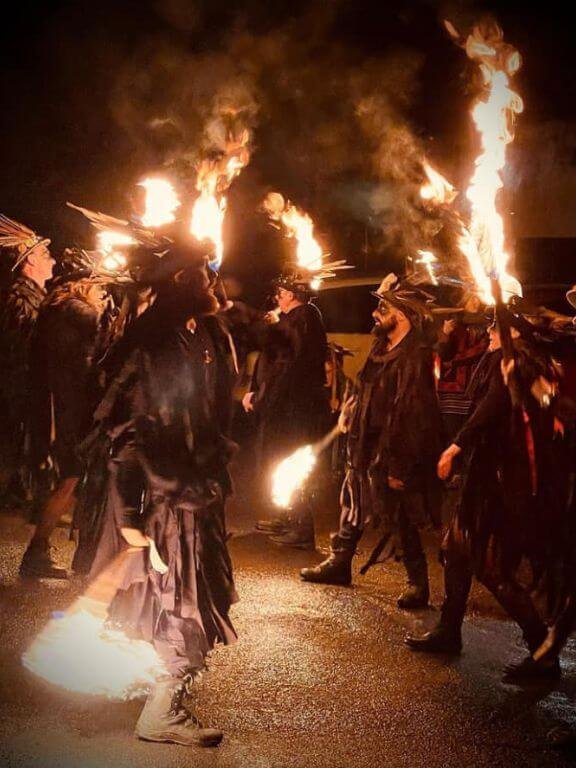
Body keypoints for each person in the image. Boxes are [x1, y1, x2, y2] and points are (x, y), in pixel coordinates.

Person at [87, 246, 237, 746]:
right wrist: (130, 516)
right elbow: (129, 434)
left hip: (195, 495)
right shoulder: (154, 345)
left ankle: (153, 688)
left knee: (181, 598)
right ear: (182, 281)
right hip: (168, 505)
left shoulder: (200, 334)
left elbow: (210, 414)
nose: (216, 284)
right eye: (205, 275)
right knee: (182, 603)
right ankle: (161, 712)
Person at [406, 311, 560, 672]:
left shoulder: (516, 361)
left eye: (495, 326)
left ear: (514, 333)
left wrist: (457, 446)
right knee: (456, 551)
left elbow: (493, 405)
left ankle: (543, 650)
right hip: (486, 476)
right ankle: (449, 630)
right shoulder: (499, 358)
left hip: (501, 482)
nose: (488, 330)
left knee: (493, 567)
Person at [301, 274, 443, 609]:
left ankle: (417, 583)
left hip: (393, 448)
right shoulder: (381, 345)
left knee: (400, 514)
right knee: (352, 500)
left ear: (403, 315)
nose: (375, 314)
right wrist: (350, 409)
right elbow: (364, 383)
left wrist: (399, 464)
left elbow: (414, 415)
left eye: (384, 308)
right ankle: (340, 562)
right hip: (364, 441)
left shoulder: (415, 356)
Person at [19, 253, 116, 578]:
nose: (103, 294)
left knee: (65, 477)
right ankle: (37, 550)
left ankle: (41, 549)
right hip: (66, 409)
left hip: (53, 405)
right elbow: (83, 366)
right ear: (84, 285)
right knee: (70, 477)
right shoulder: (79, 313)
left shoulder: (55, 309)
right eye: (99, 287)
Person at [242, 271, 329, 549]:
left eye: (280, 290)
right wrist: (256, 390)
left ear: (291, 294)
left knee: (292, 460)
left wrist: (267, 399)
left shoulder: (305, 317)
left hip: (294, 407)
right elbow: (270, 359)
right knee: (278, 457)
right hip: (282, 404)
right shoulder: (291, 318)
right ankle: (287, 517)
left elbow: (289, 366)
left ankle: (302, 529)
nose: (276, 295)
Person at [0, 215, 55, 509]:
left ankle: (20, 490)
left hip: (29, 385)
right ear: (29, 262)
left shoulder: (39, 296)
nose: (54, 261)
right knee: (18, 439)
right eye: (45, 254)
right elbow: (18, 347)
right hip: (20, 386)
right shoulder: (21, 298)